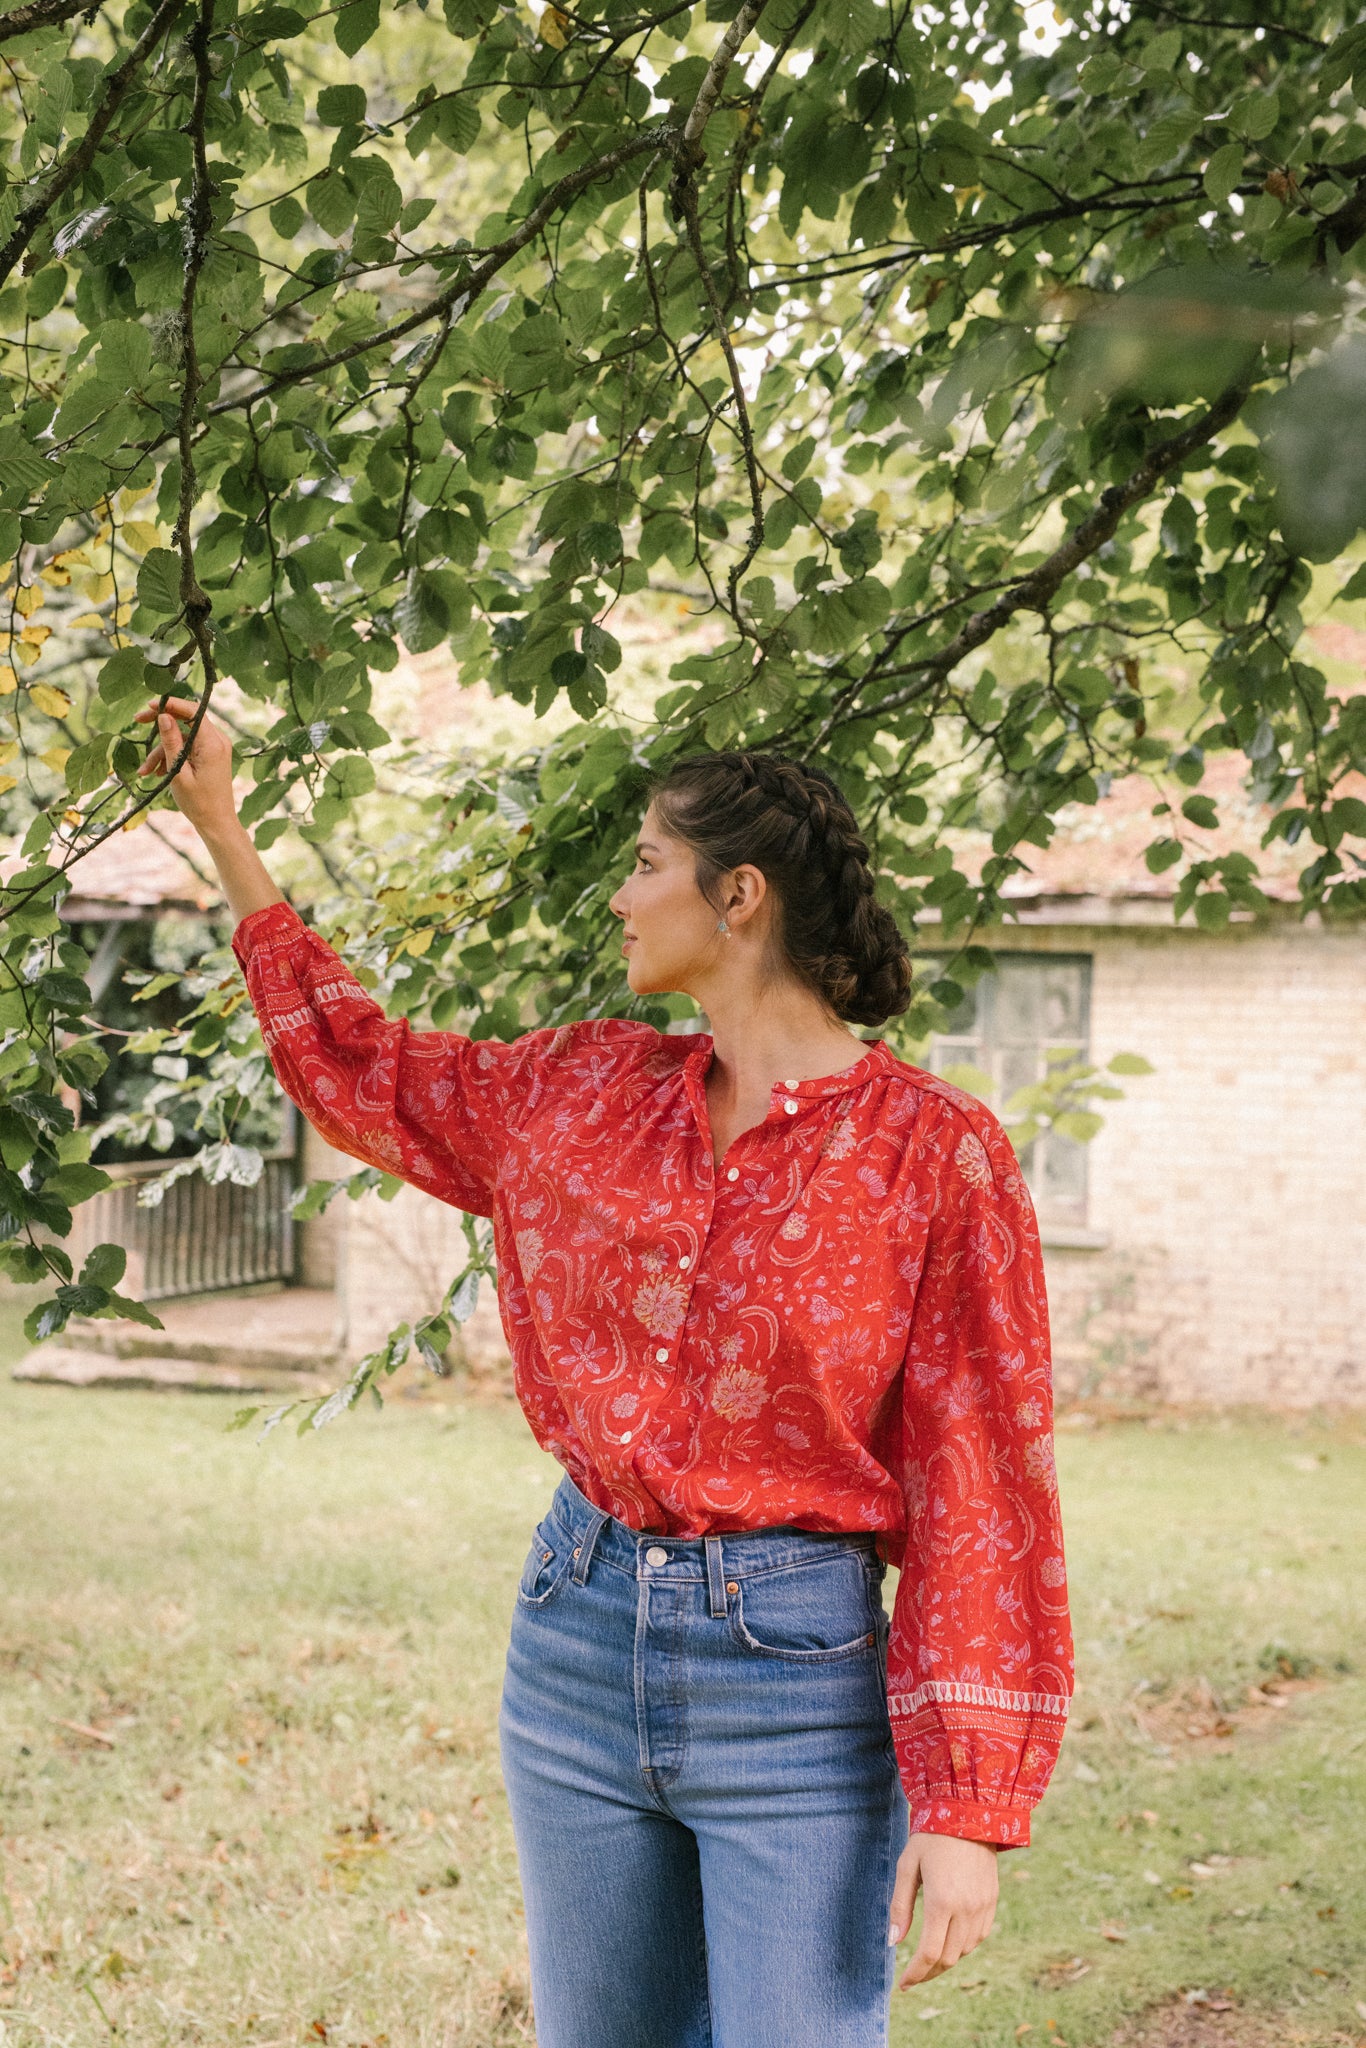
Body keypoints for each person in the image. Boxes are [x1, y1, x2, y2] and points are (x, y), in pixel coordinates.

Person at [138, 697, 1075, 2048]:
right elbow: (364, 1068)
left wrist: (967, 1808)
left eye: (647, 862)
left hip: (796, 1687)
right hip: (574, 1639)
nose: (622, 895)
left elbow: (981, 1477)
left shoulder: (933, 1154)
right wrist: (221, 824)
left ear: (737, 895)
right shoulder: (583, 1091)